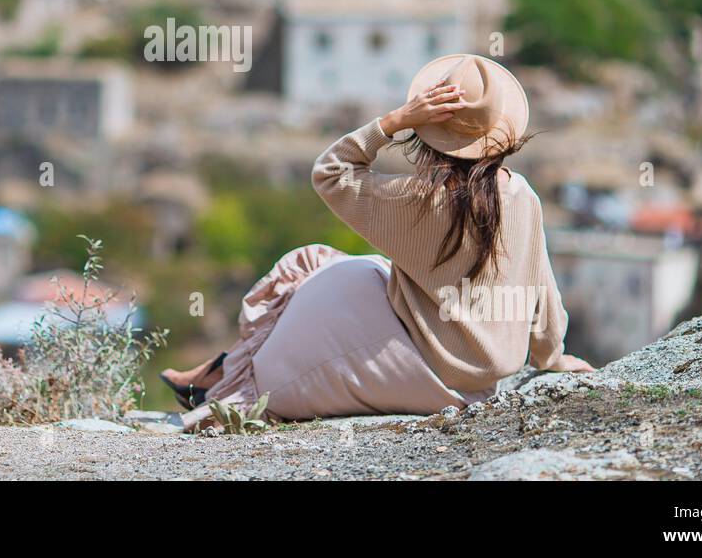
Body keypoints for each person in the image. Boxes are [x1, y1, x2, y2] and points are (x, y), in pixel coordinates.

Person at [161, 53, 594, 427]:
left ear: (432, 128)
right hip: (485, 373)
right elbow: (541, 288)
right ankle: (217, 371)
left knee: (313, 270)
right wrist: (551, 356)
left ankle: (223, 379)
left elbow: (330, 173)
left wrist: (394, 121)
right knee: (326, 264)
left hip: (430, 366)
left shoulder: (417, 200)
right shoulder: (521, 195)